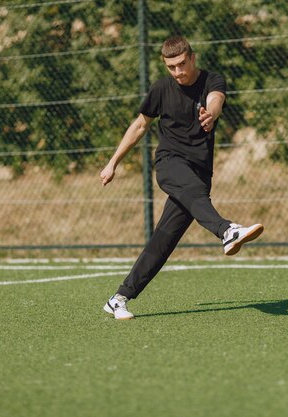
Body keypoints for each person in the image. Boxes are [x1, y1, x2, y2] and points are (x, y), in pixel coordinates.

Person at [100, 36, 264, 320]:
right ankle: (227, 231)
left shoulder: (213, 80)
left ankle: (119, 298)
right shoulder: (162, 88)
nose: (177, 72)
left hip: (199, 172)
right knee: (192, 195)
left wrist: (210, 115)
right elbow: (140, 125)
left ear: (193, 58)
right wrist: (113, 162)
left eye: (181, 64)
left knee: (163, 241)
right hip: (170, 164)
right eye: (171, 67)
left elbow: (216, 101)